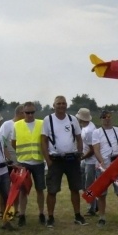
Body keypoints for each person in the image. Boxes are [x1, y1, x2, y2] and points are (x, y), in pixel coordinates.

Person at [40, 96, 87, 228]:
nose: (61, 106)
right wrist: (48, 160)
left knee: (75, 189)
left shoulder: (72, 119)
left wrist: (79, 153)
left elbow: (79, 138)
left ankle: (78, 215)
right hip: (55, 160)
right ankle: (50, 217)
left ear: (67, 105)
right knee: (52, 190)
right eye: (58, 103)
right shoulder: (48, 120)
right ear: (53, 105)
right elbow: (43, 141)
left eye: (63, 103)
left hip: (72, 159)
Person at [91, 110, 118, 227]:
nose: (106, 119)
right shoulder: (96, 132)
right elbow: (96, 149)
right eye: (104, 117)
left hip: (117, 167)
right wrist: (101, 162)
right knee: (102, 194)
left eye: (108, 117)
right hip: (103, 168)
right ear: (100, 119)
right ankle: (102, 218)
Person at [11, 101, 46, 226]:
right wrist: (21, 155)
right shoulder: (17, 125)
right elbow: (13, 143)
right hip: (23, 162)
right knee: (23, 190)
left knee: (40, 189)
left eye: (32, 112)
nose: (30, 115)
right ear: (23, 113)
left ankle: (42, 213)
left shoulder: (42, 124)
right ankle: (22, 214)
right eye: (27, 113)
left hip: (38, 161)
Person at [0, 104, 24, 216]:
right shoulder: (7, 125)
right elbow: (2, 141)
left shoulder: (24, 125)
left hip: (19, 161)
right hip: (8, 162)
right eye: (25, 113)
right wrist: (8, 159)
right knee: (5, 187)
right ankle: (1, 210)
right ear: (20, 113)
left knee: (17, 186)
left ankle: (16, 209)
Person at [76, 108, 98, 216]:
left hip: (90, 161)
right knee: (84, 184)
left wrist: (82, 157)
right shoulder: (86, 127)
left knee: (89, 185)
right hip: (86, 159)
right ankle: (94, 203)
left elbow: (92, 149)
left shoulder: (89, 131)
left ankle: (91, 208)